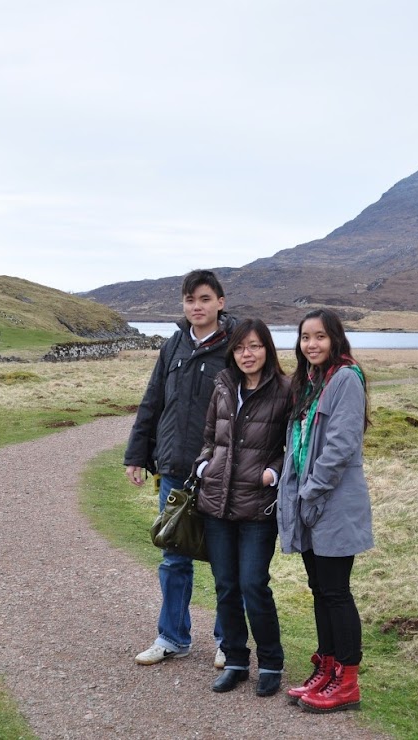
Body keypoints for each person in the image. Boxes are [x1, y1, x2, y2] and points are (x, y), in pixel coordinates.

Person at [125, 269, 236, 666]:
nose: (197, 307)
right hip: (174, 470)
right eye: (190, 300)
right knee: (174, 558)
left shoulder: (237, 347)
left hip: (223, 473)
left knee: (226, 561)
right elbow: (152, 401)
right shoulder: (173, 346)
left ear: (220, 302)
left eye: (204, 299)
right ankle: (172, 636)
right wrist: (137, 454)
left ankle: (229, 642)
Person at [277, 308, 373, 713]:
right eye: (304, 338)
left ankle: (347, 681)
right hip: (310, 505)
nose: (311, 344)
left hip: (333, 504)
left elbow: (341, 445)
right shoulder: (311, 383)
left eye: (319, 337)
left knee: (336, 592)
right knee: (320, 590)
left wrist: (311, 490)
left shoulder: (346, 379)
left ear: (335, 339)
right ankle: (327, 666)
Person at [192, 319, 292, 697]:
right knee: (226, 586)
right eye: (239, 348)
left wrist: (273, 472)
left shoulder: (285, 390)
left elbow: (292, 447)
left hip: (258, 507)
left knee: (253, 585)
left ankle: (270, 662)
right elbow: (207, 438)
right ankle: (235, 660)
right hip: (216, 504)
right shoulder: (223, 387)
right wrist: (204, 467)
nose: (246, 354)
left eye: (254, 346)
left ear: (267, 348)